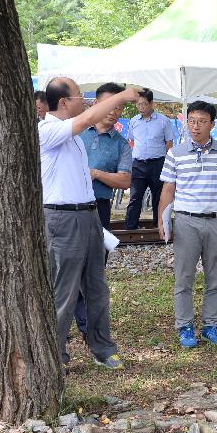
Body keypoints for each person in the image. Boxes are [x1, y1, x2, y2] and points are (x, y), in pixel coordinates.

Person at [40, 77, 138, 370]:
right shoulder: (49, 130)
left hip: (89, 214)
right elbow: (87, 119)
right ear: (62, 103)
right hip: (62, 217)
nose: (83, 102)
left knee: (96, 286)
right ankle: (54, 353)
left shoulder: (73, 138)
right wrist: (123, 96)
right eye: (78, 97)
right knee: (64, 290)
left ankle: (102, 348)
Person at [158, 101, 217, 348]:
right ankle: (184, 327)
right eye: (192, 121)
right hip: (185, 220)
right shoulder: (176, 153)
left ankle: (210, 325)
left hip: (216, 221)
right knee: (183, 278)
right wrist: (162, 220)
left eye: (202, 121)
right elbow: (168, 189)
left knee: (215, 277)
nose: (196, 126)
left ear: (212, 124)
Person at [73, 82, 133, 336]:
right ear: (95, 104)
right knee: (67, 263)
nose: (113, 111)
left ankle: (88, 323)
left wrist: (97, 173)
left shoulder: (121, 144)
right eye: (109, 105)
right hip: (69, 206)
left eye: (119, 107)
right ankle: (68, 317)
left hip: (100, 207)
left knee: (95, 266)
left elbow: (125, 181)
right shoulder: (75, 132)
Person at [125, 89, 175, 229]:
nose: (141, 107)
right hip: (138, 164)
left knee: (158, 197)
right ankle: (130, 227)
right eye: (138, 104)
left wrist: (167, 164)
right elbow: (131, 141)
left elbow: (169, 144)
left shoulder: (163, 121)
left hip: (157, 164)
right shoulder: (134, 121)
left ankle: (158, 226)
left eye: (144, 104)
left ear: (151, 103)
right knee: (135, 197)